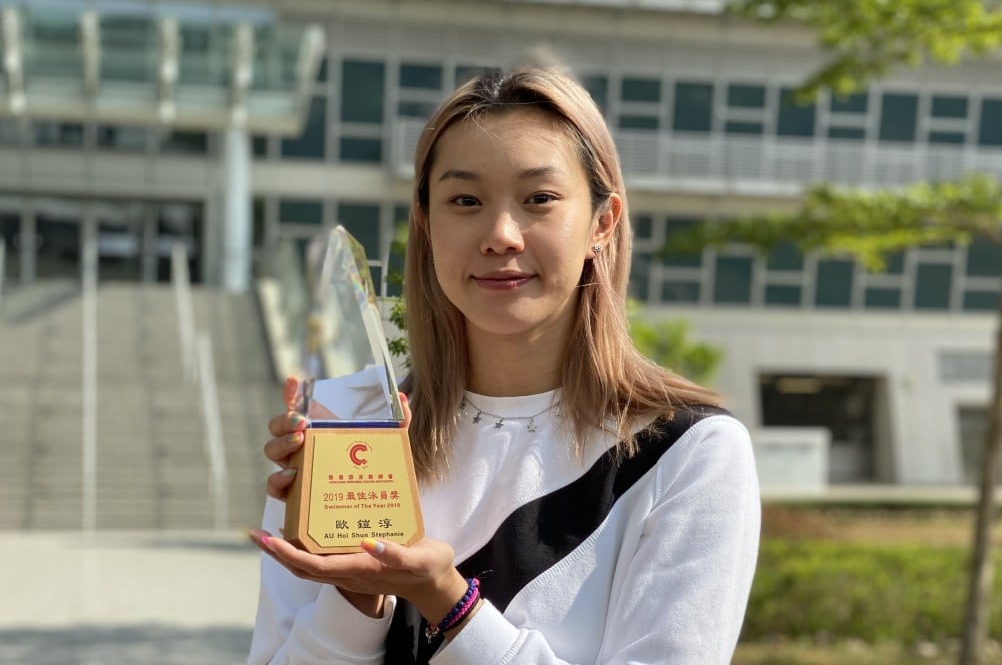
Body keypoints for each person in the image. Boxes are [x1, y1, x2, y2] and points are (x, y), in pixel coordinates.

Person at [248, 65, 760, 664]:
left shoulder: (688, 452)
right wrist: (355, 597)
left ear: (603, 222)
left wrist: (450, 603)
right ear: (427, 224)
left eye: (539, 199)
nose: (500, 234)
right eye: (465, 200)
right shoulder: (347, 423)